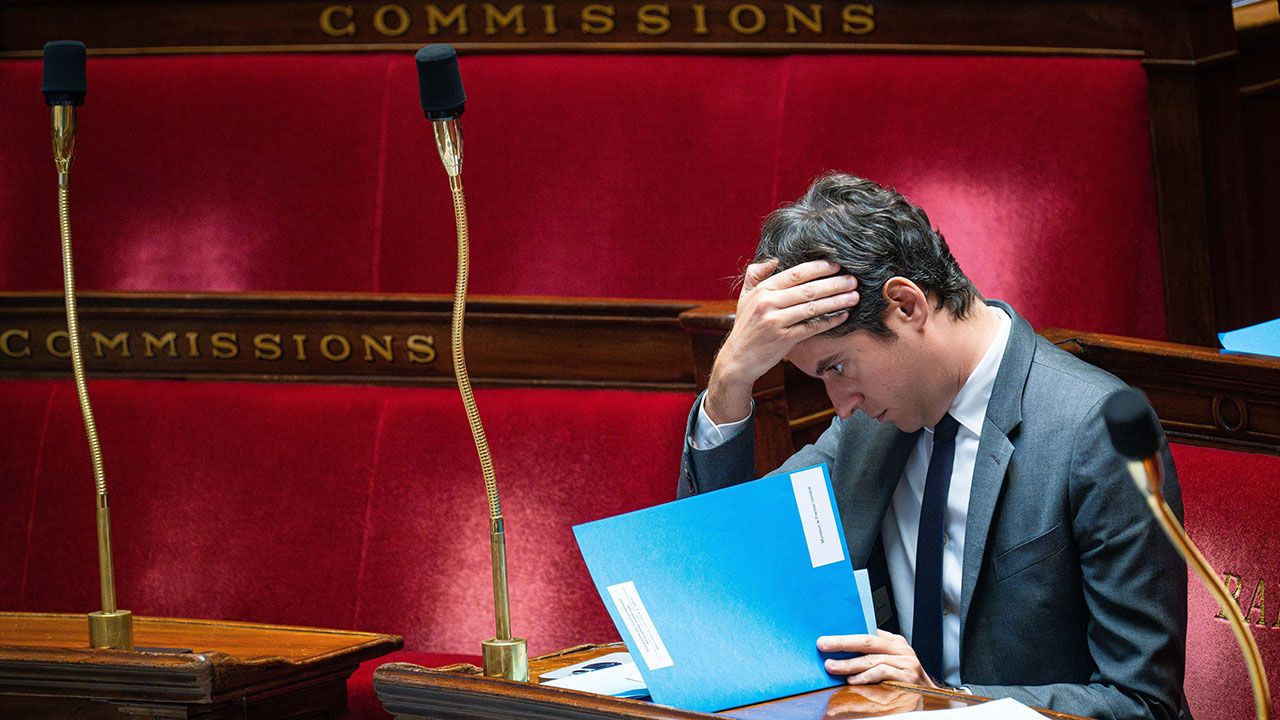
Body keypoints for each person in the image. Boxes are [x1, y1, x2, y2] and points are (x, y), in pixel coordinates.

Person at [678, 173, 1190, 720]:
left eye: (838, 367)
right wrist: (729, 379)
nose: (841, 404)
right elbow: (719, 562)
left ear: (906, 306)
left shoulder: (1089, 434)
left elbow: (1142, 703)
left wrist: (947, 705)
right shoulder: (869, 424)